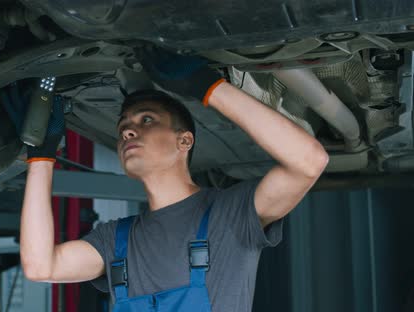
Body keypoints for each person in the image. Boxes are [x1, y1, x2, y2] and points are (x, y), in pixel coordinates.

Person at [19, 62, 329, 311]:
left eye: (147, 120)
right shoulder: (115, 240)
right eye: (123, 126)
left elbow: (309, 161)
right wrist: (41, 157)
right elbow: (39, 266)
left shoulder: (230, 215)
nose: (128, 130)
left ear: (185, 141)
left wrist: (208, 87)